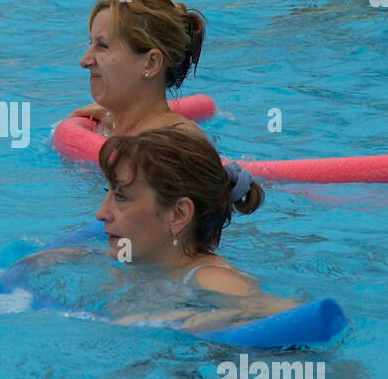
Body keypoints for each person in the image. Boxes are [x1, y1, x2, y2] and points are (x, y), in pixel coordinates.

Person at [94, 128, 293, 331]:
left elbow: (287, 318)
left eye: (121, 197)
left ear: (178, 215)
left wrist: (179, 320)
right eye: (106, 192)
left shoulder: (212, 278)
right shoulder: (142, 260)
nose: (101, 213)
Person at [70, 0, 209, 140]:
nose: (84, 61)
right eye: (91, 43)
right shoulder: (115, 128)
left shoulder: (178, 142)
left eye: (103, 45)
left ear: (150, 63)